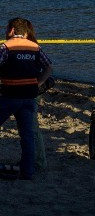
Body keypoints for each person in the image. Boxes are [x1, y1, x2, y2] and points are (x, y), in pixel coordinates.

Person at [0, 17, 53, 180]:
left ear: (11, 30)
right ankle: (28, 171)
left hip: (10, 96)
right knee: (27, 135)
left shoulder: (6, 47)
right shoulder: (35, 47)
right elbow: (49, 67)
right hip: (29, 96)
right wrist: (39, 82)